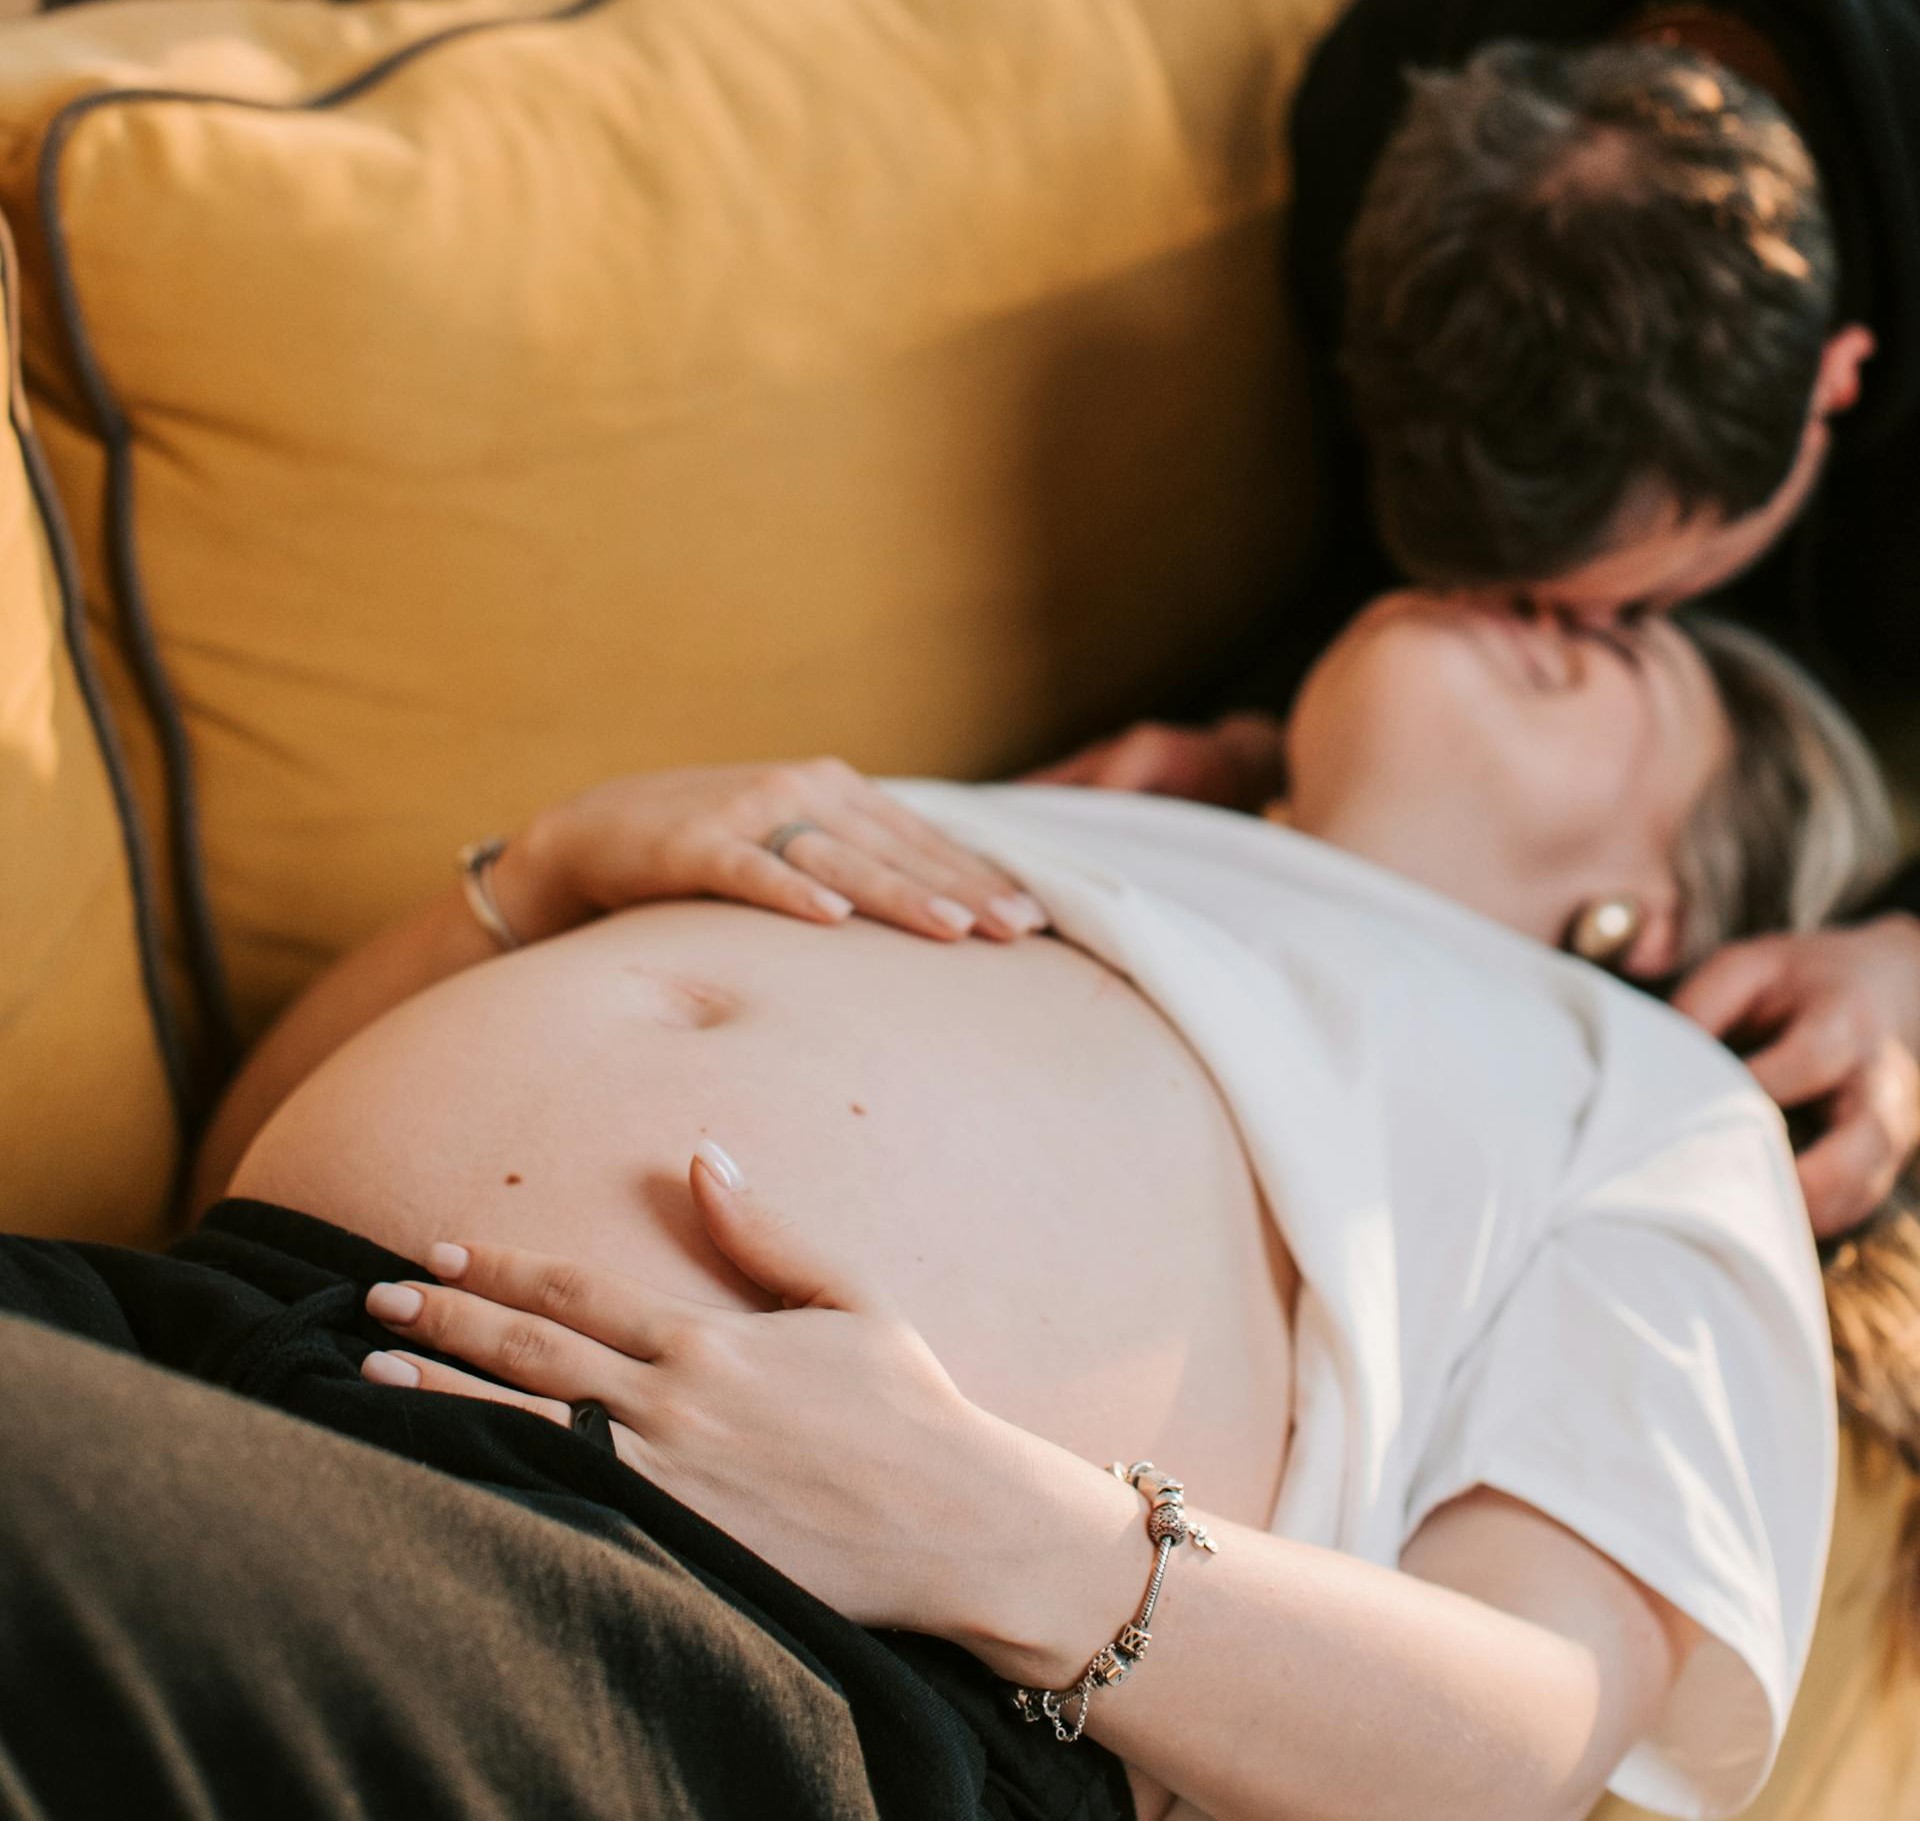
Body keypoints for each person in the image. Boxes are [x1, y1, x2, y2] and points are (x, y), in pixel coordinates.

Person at [29, 599, 1892, 1820]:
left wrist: (1001, 1530)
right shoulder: (1075, 813)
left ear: (1660, 909)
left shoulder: (1652, 1098)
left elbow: (1536, 1727)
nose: (1552, 587)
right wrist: (543, 874)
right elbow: (236, 1157)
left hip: (725, 1611)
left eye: (1634, 638)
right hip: (222, 1320)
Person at [1038, 21, 1920, 1238]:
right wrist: (1271, 764)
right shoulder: (1381, 102)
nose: (1481, 625)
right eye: (1482, 586)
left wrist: (1907, 963)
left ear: (1837, 382)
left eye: (1607, 622)